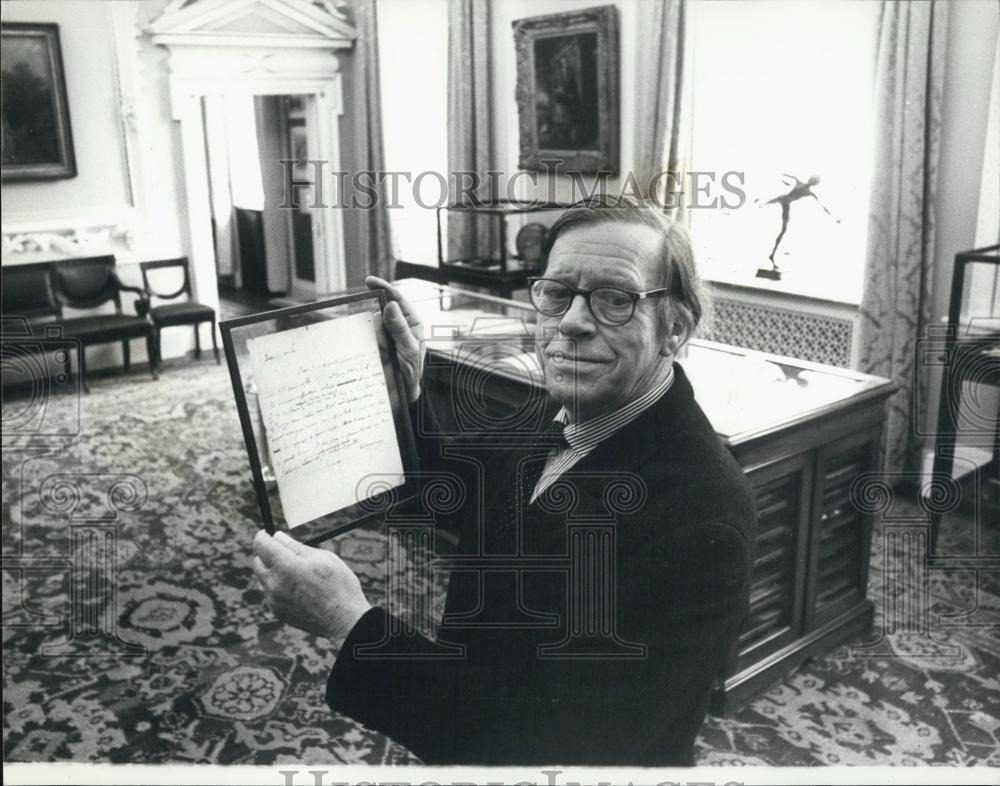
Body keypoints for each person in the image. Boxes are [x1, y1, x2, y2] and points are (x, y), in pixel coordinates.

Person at [252, 202, 756, 766]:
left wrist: (349, 621)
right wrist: (407, 395)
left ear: (675, 328)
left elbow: (556, 746)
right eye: (557, 293)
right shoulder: (574, 405)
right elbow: (477, 498)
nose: (571, 322)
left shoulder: (702, 517)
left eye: (616, 299)